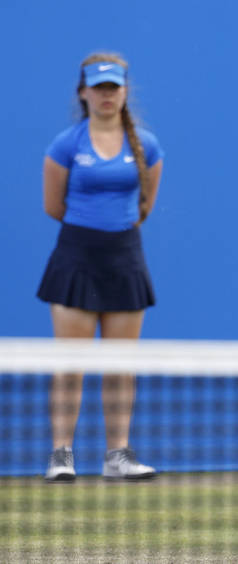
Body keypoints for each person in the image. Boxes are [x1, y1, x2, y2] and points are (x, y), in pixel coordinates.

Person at [39, 52, 163, 482]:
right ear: (84, 92)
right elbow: (53, 205)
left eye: (113, 87)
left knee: (119, 364)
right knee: (70, 364)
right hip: (76, 256)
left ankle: (118, 457)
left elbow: (144, 205)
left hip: (124, 259)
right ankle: (61, 456)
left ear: (125, 92)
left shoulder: (145, 145)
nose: (106, 95)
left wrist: (114, 234)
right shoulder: (65, 144)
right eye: (99, 88)